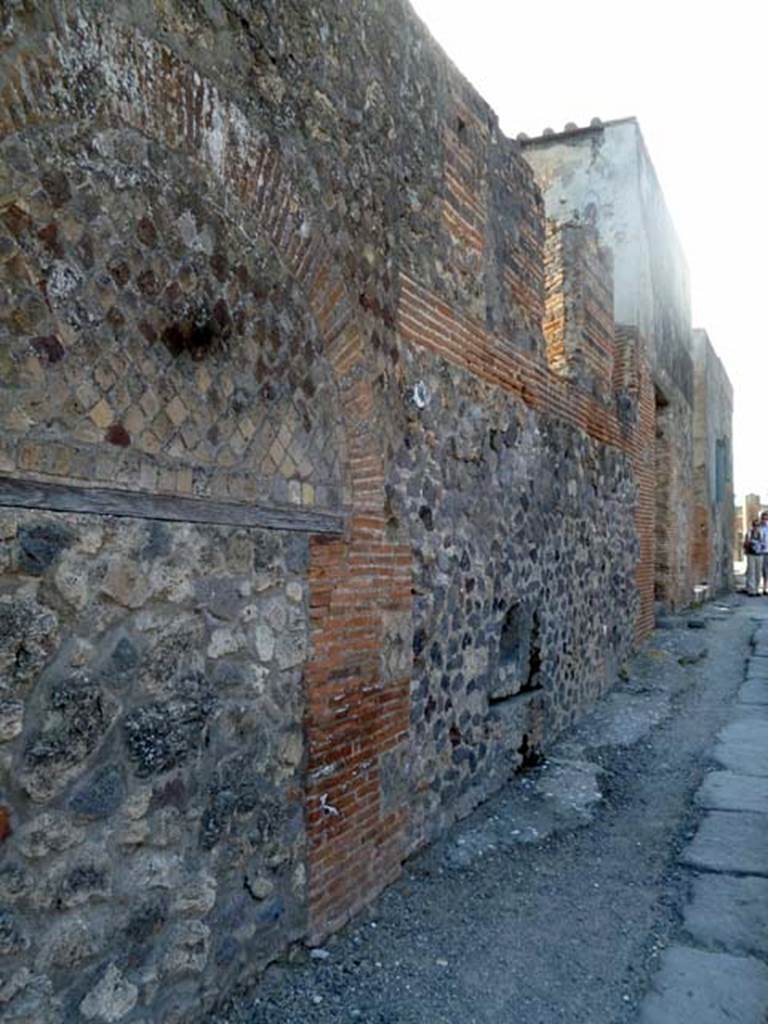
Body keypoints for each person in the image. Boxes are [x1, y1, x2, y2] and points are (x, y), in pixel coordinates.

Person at [744, 518, 763, 595]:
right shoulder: (749, 533)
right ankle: (751, 590)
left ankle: (756, 589)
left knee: (758, 572)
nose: (756, 527)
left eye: (758, 525)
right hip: (751, 554)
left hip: (759, 554)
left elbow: (764, 543)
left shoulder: (761, 533)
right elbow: (745, 544)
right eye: (755, 525)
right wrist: (749, 543)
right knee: (751, 572)